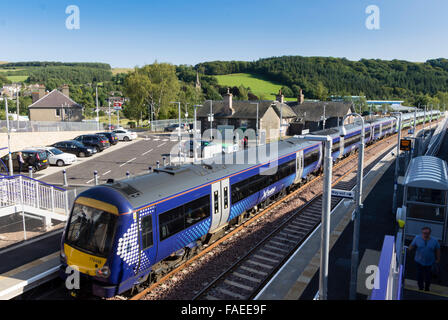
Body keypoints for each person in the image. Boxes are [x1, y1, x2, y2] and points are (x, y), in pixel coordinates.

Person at [408, 227, 441, 291]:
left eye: (427, 233)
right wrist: (408, 249)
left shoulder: (435, 241)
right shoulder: (417, 238)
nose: (425, 235)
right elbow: (411, 246)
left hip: (430, 262)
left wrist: (438, 260)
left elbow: (438, 250)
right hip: (419, 261)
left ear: (430, 233)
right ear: (422, 233)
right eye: (424, 233)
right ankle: (420, 288)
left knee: (428, 277)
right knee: (420, 275)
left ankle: (427, 288)